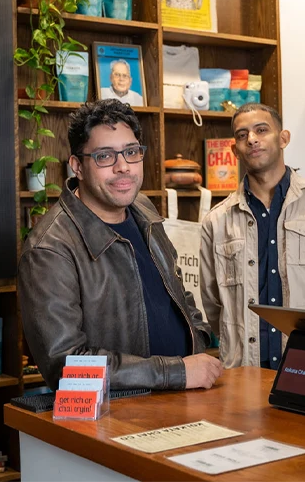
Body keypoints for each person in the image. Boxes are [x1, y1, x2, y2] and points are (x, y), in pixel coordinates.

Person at [19, 99, 222, 390]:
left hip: (181, 397)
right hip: (115, 416)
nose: (123, 167)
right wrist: (176, 372)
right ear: (77, 166)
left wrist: (197, 337)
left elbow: (177, 292)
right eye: (104, 156)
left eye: (131, 152)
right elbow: (65, 365)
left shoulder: (143, 208)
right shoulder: (50, 248)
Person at [200, 103, 305, 369]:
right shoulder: (217, 220)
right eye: (242, 135)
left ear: (284, 139)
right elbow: (214, 305)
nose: (252, 139)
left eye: (261, 130)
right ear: (235, 149)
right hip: (244, 374)